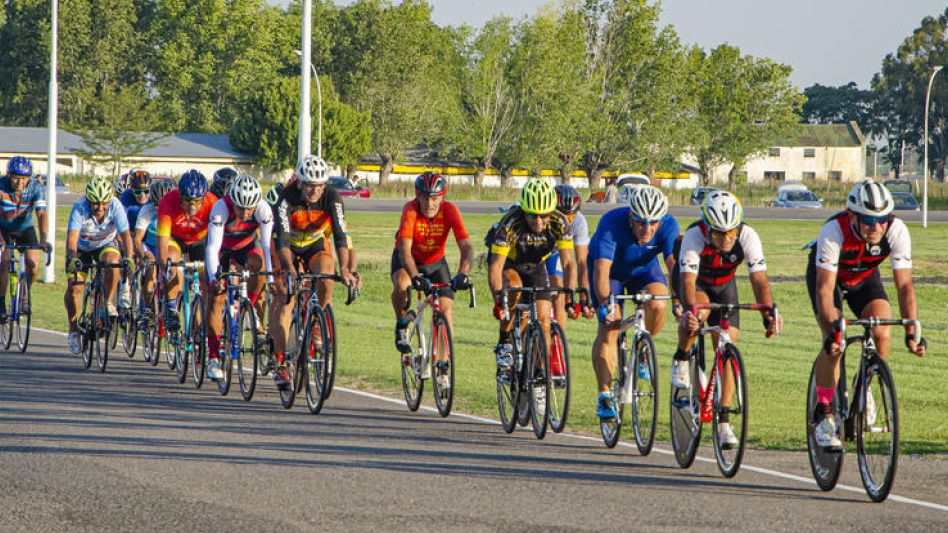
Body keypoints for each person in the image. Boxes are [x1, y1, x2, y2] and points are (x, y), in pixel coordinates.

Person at [807, 179, 926, 451]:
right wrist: (830, 330)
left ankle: (865, 387)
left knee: (883, 329)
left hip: (863, 278)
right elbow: (825, 290)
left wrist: (911, 330)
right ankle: (824, 413)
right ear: (853, 217)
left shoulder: (896, 231)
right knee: (835, 343)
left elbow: (905, 285)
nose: (877, 227)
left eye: (882, 219)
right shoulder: (833, 231)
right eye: (869, 221)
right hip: (830, 279)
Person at [674, 189, 780, 448]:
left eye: (731, 231)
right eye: (720, 233)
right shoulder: (693, 236)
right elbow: (687, 282)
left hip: (725, 286)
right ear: (708, 228)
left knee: (729, 345)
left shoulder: (748, 236)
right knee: (698, 313)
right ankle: (682, 358)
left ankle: (723, 421)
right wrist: (690, 311)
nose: (727, 238)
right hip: (698, 284)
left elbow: (759, 279)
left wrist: (768, 312)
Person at [589, 185, 680, 418]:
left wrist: (679, 298)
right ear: (631, 216)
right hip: (611, 272)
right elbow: (601, 271)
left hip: (644, 271)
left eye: (653, 223)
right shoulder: (611, 224)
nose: (647, 229)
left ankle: (643, 350)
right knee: (610, 327)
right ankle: (604, 395)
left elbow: (673, 265)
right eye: (641, 223)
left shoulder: (669, 225)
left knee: (659, 302)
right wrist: (604, 304)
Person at [270, 155, 360, 389]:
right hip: (286, 246)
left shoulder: (333, 197)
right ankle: (280, 362)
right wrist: (289, 269)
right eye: (309, 185)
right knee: (285, 298)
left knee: (327, 275)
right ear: (299, 183)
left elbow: (341, 236)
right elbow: (282, 240)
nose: (314, 191)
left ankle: (316, 320)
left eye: (319, 185)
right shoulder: (285, 199)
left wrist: (345, 269)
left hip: (315, 244)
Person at [487, 178, 577, 382]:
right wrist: (499, 301)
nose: (538, 222)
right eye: (532, 216)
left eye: (543, 216)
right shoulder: (511, 223)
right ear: (523, 211)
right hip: (510, 264)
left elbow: (569, 263)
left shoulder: (559, 222)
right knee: (514, 289)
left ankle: (538, 373)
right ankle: (504, 343)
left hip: (536, 266)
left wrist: (570, 294)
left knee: (545, 320)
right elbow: (496, 267)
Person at [391, 172, 473, 361]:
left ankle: (443, 366)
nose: (430, 203)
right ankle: (402, 323)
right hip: (408, 259)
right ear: (418, 196)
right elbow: (404, 249)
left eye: (434, 198)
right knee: (402, 284)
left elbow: (467, 247)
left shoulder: (450, 210)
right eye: (425, 198)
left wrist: (463, 273)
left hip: (435, 263)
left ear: (442, 197)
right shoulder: (410, 210)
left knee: (446, 309)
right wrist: (415, 276)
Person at [156, 170, 220, 376]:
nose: (192, 207)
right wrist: (166, 266)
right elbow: (163, 244)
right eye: (187, 201)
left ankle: (200, 332)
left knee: (206, 281)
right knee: (172, 262)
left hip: (202, 241)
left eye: (196, 202)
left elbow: (218, 241)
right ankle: (173, 307)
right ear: (179, 197)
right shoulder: (168, 202)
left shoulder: (212, 203)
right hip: (177, 240)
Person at [205, 175, 273, 365]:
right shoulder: (221, 207)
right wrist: (214, 278)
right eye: (240, 208)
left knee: (260, 266)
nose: (244, 212)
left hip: (247, 247)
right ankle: (213, 356)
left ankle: (249, 310)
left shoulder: (263, 208)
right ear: (233, 201)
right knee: (216, 297)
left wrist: (271, 280)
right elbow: (212, 247)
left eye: (249, 208)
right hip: (223, 250)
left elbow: (267, 246)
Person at [65, 176, 134, 353]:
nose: (100, 207)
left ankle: (107, 302)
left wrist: (130, 259)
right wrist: (73, 258)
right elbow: (72, 238)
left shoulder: (116, 206)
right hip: (82, 249)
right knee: (75, 289)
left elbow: (126, 236)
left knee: (113, 263)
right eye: (95, 203)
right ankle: (73, 330)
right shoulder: (80, 208)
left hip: (105, 244)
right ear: (88, 200)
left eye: (104, 203)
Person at [0, 156, 51, 320]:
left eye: (24, 178)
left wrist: (43, 239)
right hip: (3, 228)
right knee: (5, 260)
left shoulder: (36, 187)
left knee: (33, 263)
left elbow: (41, 214)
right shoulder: (1, 185)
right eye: (16, 178)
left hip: (25, 228)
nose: (20, 182)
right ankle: (1, 301)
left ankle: (25, 293)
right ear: (9, 175)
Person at [546, 184, 593, 328]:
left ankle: (559, 343)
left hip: (557, 254)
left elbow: (581, 262)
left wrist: (583, 298)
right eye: (562, 213)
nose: (567, 219)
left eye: (572, 214)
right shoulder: (543, 218)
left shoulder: (579, 222)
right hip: (537, 251)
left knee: (559, 294)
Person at [133, 177, 176, 321]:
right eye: (157, 205)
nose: (160, 208)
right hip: (150, 246)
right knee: (151, 268)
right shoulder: (147, 209)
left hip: (168, 246)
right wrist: (142, 254)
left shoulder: (176, 209)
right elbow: (138, 238)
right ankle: (146, 307)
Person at [118, 169, 151, 308]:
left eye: (146, 192)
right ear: (131, 190)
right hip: (128, 232)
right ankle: (125, 284)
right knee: (128, 254)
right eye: (138, 192)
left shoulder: (153, 198)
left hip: (146, 235)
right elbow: (120, 223)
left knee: (148, 260)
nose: (142, 196)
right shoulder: (125, 198)